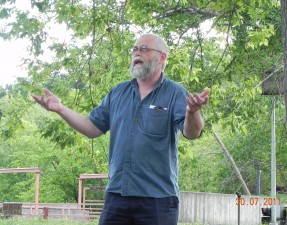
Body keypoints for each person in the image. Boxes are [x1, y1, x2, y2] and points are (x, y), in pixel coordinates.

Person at [32, 33, 209, 225]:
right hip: (117, 196)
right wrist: (60, 109)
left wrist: (192, 112)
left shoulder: (175, 93)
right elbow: (92, 128)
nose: (137, 53)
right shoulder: (118, 92)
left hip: (158, 200)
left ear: (162, 57)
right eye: (134, 49)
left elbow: (192, 133)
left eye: (144, 49)